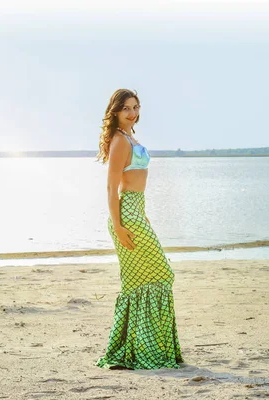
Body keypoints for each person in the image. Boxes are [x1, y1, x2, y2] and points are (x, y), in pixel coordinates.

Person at [94, 89, 184, 370]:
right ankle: (140, 350)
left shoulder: (131, 138)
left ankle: (138, 349)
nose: (132, 113)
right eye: (126, 109)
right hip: (126, 215)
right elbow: (111, 187)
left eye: (135, 107)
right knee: (161, 274)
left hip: (136, 212)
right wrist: (118, 226)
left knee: (142, 282)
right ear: (116, 113)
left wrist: (141, 216)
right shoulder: (120, 141)